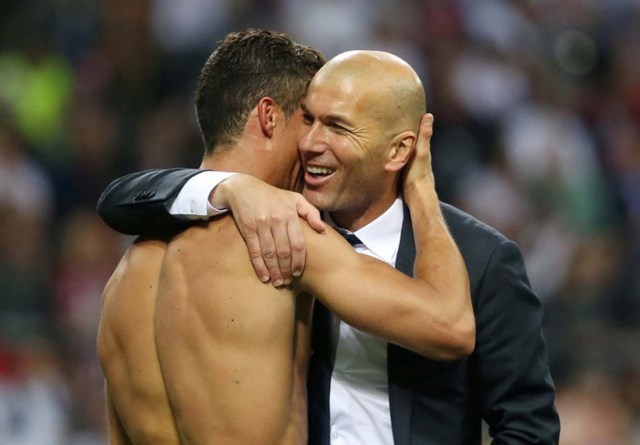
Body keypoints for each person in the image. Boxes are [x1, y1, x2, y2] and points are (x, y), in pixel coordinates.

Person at [98, 48, 560, 443]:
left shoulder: (127, 273)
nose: (313, 142)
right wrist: (231, 187)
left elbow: (526, 427)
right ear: (266, 116)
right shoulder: (290, 234)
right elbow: (448, 323)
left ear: (399, 150)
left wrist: (422, 197)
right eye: (309, 119)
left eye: (336, 126)